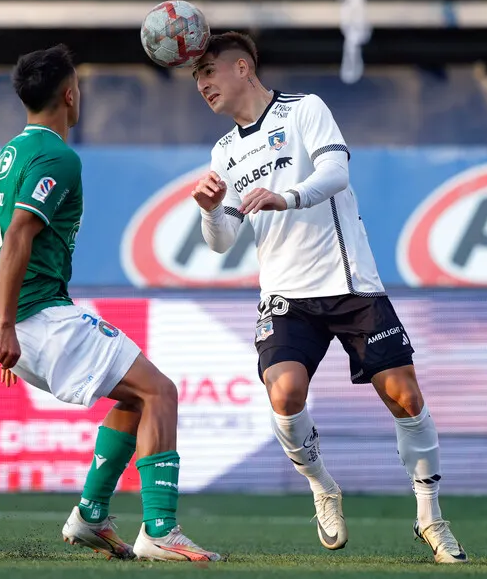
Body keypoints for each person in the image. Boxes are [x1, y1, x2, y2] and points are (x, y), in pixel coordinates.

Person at [189, 32, 468, 564]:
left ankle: (431, 516)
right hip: (286, 296)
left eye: (209, 70)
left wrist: (287, 196)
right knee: (285, 394)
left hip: (349, 282)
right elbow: (222, 240)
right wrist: (210, 208)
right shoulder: (223, 151)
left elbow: (337, 172)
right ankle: (322, 487)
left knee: (405, 397)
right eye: (196, 76)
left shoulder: (304, 110)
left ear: (243, 66)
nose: (202, 82)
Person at [0, 44, 219, 563]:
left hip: (25, 318)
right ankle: (160, 531)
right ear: (70, 94)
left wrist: (1, 319)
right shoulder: (58, 156)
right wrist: (8, 327)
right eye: (79, 86)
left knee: (136, 398)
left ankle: (91, 515)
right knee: (161, 393)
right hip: (40, 317)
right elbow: (17, 236)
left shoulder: (7, 157)